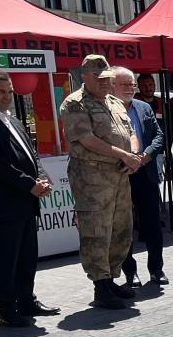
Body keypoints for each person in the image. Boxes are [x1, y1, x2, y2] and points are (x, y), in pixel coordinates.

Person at [0, 70, 60, 325]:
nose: (7, 96)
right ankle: (7, 308)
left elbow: (32, 154)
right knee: (7, 257)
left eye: (9, 91)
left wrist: (41, 179)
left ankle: (27, 300)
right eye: (1, 91)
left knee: (28, 254)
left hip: (27, 201)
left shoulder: (13, 119)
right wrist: (30, 184)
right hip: (3, 204)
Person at [59, 55, 139, 309]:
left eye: (107, 78)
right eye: (99, 78)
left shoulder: (114, 102)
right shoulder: (75, 104)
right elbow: (87, 140)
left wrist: (133, 156)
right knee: (97, 232)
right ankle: (100, 285)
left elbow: (130, 132)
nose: (105, 83)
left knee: (120, 229)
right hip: (92, 180)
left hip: (120, 175)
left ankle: (111, 278)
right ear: (84, 77)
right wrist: (123, 155)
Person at [112, 67, 167, 287]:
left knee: (152, 223)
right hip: (121, 173)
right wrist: (128, 159)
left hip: (146, 171)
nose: (130, 89)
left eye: (131, 84)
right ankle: (130, 272)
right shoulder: (105, 110)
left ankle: (157, 269)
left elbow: (159, 135)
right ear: (112, 86)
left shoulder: (144, 107)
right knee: (124, 226)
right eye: (124, 84)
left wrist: (144, 157)